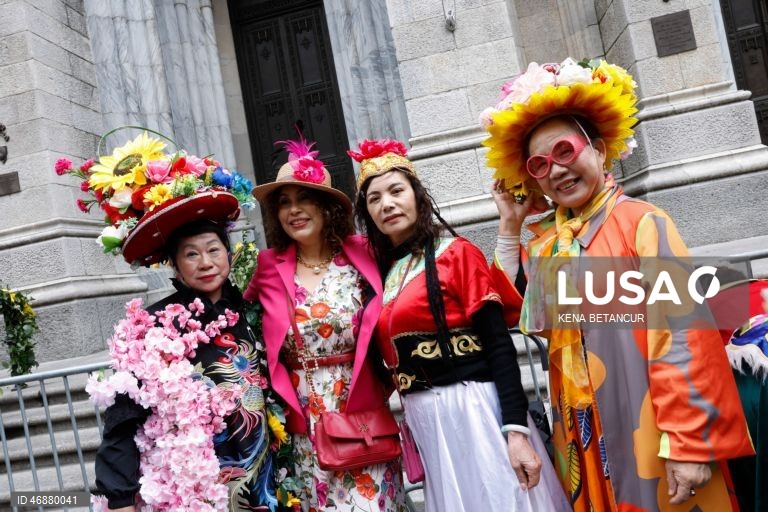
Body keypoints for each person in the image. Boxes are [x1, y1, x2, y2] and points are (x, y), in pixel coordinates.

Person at [482, 58, 754, 511]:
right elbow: (522, 317)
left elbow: (683, 338)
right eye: (539, 164)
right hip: (584, 439)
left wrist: (688, 443)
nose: (556, 170)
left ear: (601, 150)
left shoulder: (642, 223)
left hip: (649, 430)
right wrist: (510, 226)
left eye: (565, 152)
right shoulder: (551, 246)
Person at [59, 131, 277, 510]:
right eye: (191, 255)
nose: (206, 262)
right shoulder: (155, 327)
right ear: (175, 266)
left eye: (213, 250)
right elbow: (123, 421)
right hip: (192, 486)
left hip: (262, 478)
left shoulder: (251, 310)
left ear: (228, 255)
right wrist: (120, 496)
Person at [351, 139, 570, 512]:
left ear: (418, 197)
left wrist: (515, 431)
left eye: (396, 191)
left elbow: (499, 345)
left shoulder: (456, 253)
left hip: (474, 408)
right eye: (374, 199)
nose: (386, 204)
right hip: (427, 420)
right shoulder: (382, 277)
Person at [244, 136, 406, 512]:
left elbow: (411, 283)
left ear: (327, 206)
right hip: (303, 422)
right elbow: (239, 321)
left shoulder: (365, 253)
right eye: (284, 203)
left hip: (360, 412)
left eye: (305, 199)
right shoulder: (268, 266)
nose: (294, 210)